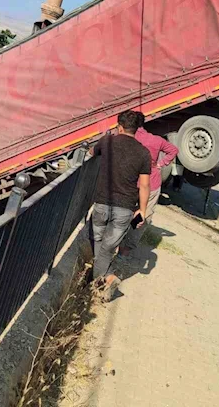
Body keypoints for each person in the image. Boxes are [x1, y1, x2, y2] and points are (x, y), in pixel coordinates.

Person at [89, 110, 151, 301]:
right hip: (125, 208)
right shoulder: (143, 152)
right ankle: (105, 279)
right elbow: (145, 185)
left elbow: (91, 153)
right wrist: (142, 210)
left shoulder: (107, 141)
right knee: (107, 249)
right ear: (136, 130)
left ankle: (102, 281)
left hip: (102, 202)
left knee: (98, 242)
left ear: (120, 127)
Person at [119, 112, 178, 255]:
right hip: (151, 183)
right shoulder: (156, 140)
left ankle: (115, 241)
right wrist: (160, 164)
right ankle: (125, 250)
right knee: (142, 216)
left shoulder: (127, 136)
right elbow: (174, 150)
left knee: (122, 211)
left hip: (130, 180)